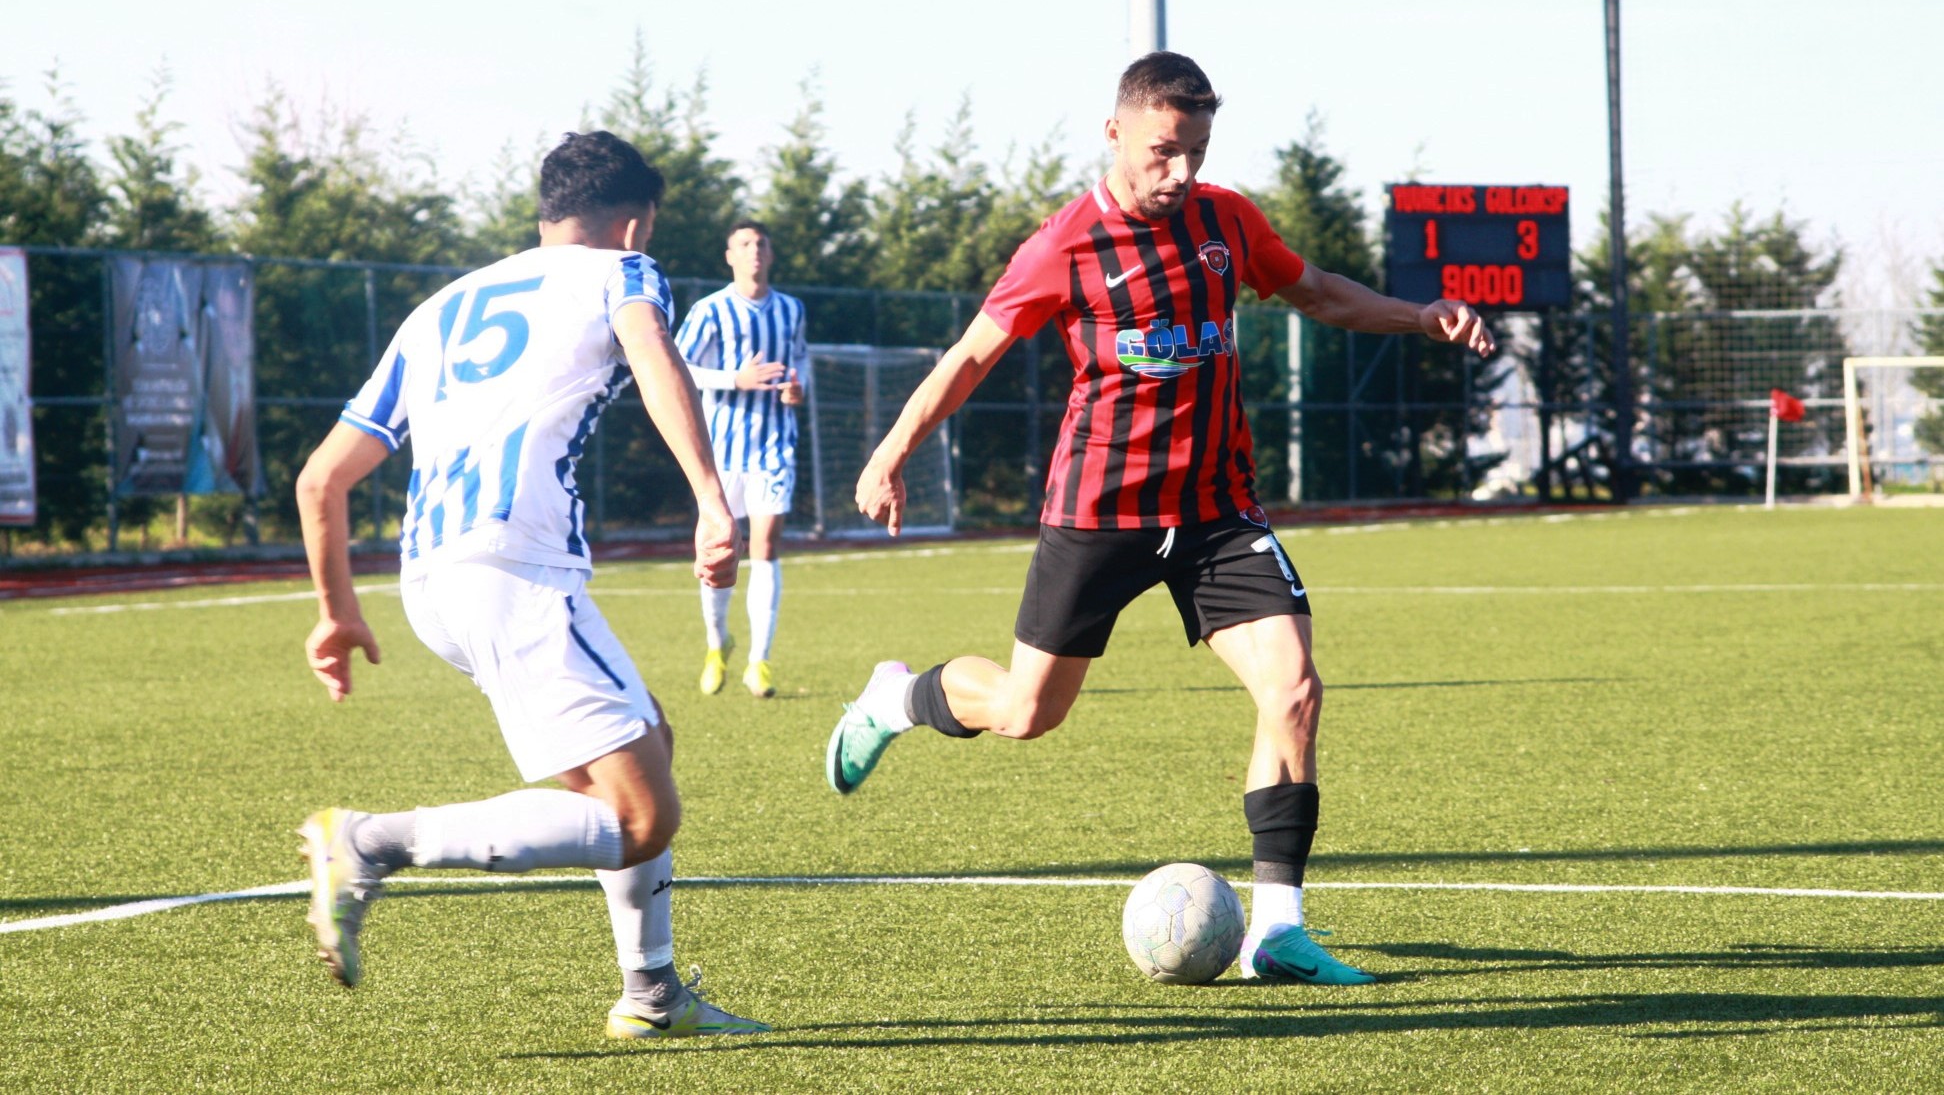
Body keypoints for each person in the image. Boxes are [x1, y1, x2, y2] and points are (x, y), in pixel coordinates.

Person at [824, 53, 1495, 986]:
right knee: (1026, 713)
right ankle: (894, 698)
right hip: (1102, 511)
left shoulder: (1227, 220)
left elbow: (1319, 292)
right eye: (1162, 152)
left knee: (1294, 691)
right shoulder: (1061, 245)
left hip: (1219, 510)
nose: (1179, 173)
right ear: (1115, 135)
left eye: (1196, 152)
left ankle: (1277, 930)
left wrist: (1421, 317)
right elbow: (973, 356)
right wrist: (891, 449)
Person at [294, 130, 767, 1038]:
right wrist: (711, 499)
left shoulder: (436, 308)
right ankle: (367, 842)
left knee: (642, 744)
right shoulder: (620, 272)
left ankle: (653, 997)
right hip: (514, 570)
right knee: (641, 815)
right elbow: (655, 357)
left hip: (432, 583)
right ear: (633, 224)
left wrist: (335, 613)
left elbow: (322, 480)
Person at [673, 220, 809, 699]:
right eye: (744, 244)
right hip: (720, 452)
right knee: (716, 549)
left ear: (771, 255)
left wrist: (798, 388)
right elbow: (678, 367)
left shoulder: (791, 310)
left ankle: (760, 662)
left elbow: (801, 360)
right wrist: (736, 379)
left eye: (761, 244)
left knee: (765, 547)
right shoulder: (710, 311)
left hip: (774, 447)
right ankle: (716, 645)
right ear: (729, 256)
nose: (754, 251)